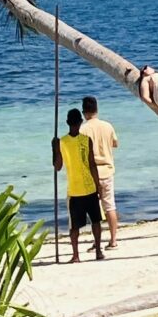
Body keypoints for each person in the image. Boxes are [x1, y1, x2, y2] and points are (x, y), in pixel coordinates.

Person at [52, 107, 105, 261]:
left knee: (75, 226)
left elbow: (57, 166)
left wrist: (54, 149)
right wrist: (98, 185)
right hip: (86, 187)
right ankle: (98, 252)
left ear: (68, 122)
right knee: (95, 221)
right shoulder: (83, 140)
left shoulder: (62, 142)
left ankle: (76, 255)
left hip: (75, 190)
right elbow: (92, 165)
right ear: (80, 122)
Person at [78, 94, 120, 250]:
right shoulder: (107, 126)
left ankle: (97, 242)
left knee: (94, 210)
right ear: (96, 109)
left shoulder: (83, 129)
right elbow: (115, 143)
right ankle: (113, 240)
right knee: (110, 206)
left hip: (91, 174)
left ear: (84, 112)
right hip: (107, 171)